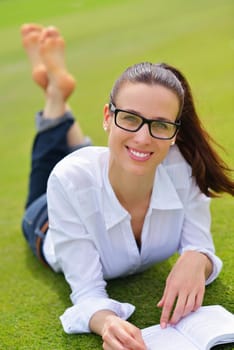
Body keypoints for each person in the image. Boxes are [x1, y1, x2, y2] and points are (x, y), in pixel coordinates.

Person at [21, 23, 234, 350]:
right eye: (130, 117)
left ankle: (59, 98)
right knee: (51, 166)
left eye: (160, 124)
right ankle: (55, 100)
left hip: (109, 165)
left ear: (175, 132)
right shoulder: (69, 180)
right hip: (47, 220)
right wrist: (106, 323)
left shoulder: (182, 167)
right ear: (107, 115)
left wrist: (197, 256)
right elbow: (87, 293)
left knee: (126, 153)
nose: (145, 135)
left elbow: (200, 244)